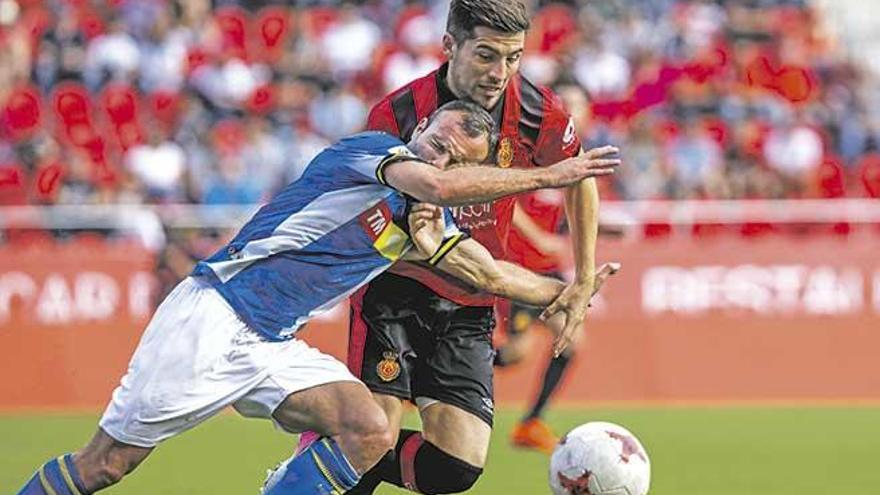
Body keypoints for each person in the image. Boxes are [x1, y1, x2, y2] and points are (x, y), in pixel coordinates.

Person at [15, 101, 617, 495]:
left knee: (366, 427)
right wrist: (548, 175)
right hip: (215, 317)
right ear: (419, 130)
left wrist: (567, 293)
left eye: (459, 159)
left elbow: (487, 272)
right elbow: (432, 181)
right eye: (439, 143)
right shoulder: (369, 154)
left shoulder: (421, 222)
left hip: (271, 343)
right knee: (105, 467)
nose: (443, 158)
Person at [296, 1, 610, 493]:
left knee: (456, 469)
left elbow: (580, 178)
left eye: (513, 58)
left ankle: (333, 442)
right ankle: (345, 448)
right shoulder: (398, 112)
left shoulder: (537, 110)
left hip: (469, 304)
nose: (500, 72)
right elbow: (367, 214)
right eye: (486, 55)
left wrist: (586, 274)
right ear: (450, 46)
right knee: (373, 432)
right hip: (394, 293)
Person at [498, 195, 619, 454]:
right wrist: (537, 237)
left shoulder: (565, 167)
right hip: (518, 269)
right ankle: (435, 374)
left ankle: (531, 423)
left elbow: (571, 209)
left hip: (549, 270)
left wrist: (602, 227)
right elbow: (505, 200)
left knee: (572, 342)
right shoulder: (526, 161)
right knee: (516, 354)